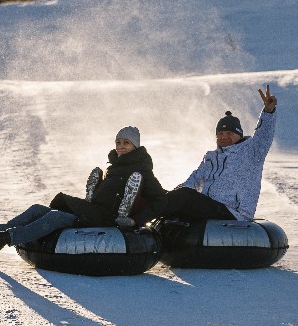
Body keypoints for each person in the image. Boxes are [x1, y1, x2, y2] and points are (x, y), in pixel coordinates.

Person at [0, 126, 165, 258]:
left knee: (57, 217)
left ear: (135, 146)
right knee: (37, 209)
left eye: (126, 143)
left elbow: (159, 198)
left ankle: (1, 240)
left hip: (107, 220)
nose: (120, 147)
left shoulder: (142, 170)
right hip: (93, 212)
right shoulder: (114, 167)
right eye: (118, 142)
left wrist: (135, 220)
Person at [117, 85, 277, 229]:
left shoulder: (251, 151)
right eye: (220, 134)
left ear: (239, 135)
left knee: (185, 197)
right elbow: (193, 180)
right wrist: (168, 196)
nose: (223, 137)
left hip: (233, 211)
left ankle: (135, 221)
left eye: (229, 133)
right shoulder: (211, 158)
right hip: (208, 208)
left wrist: (268, 112)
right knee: (172, 195)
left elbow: (264, 135)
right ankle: (129, 208)